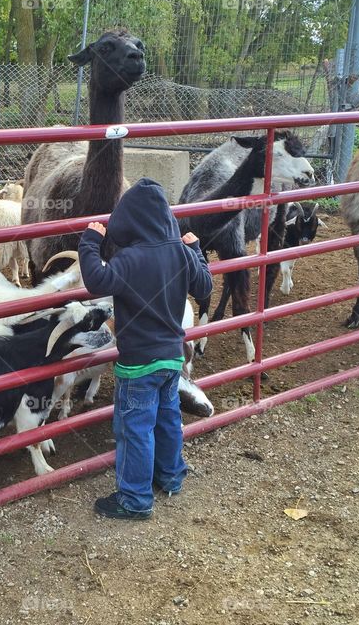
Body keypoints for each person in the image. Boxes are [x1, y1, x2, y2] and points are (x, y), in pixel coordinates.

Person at [78, 177, 212, 519]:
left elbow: (96, 281)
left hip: (138, 365)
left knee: (135, 428)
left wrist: (90, 242)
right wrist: (196, 250)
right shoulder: (181, 253)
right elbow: (204, 286)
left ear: (128, 221)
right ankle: (171, 476)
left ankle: (135, 499)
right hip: (172, 360)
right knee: (168, 418)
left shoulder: (130, 259)